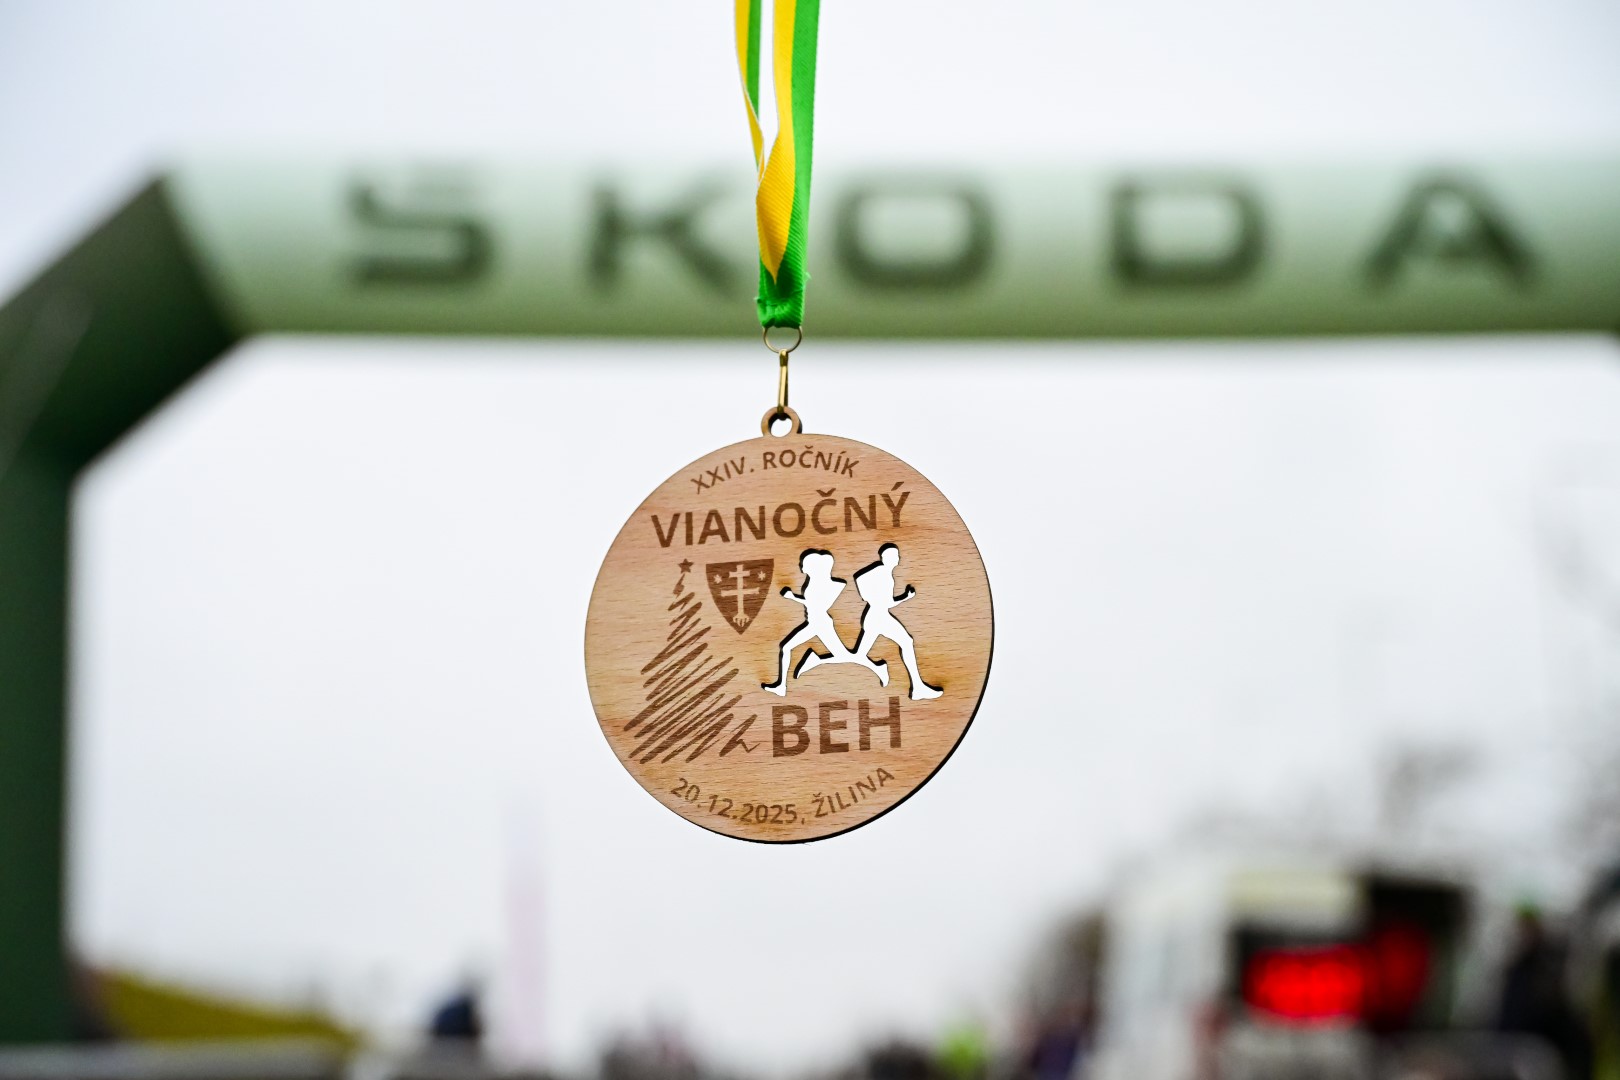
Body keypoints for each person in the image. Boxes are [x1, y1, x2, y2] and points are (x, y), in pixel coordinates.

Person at [763, 550, 887, 695]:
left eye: (804, 564)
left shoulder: (831, 586)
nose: (802, 567)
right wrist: (794, 597)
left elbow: (817, 606)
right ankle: (782, 685)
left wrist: (793, 597)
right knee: (787, 647)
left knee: (844, 656)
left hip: (821, 625)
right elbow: (813, 603)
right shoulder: (814, 583)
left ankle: (878, 667)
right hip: (814, 624)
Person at [852, 544, 942, 701]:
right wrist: (868, 597)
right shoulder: (882, 572)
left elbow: (886, 601)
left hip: (877, 616)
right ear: (886, 558)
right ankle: (917, 687)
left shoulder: (886, 574)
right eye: (895, 556)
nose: (898, 559)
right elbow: (860, 579)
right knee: (906, 642)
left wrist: (903, 597)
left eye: (897, 556)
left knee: (860, 654)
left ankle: (917, 687)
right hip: (878, 618)